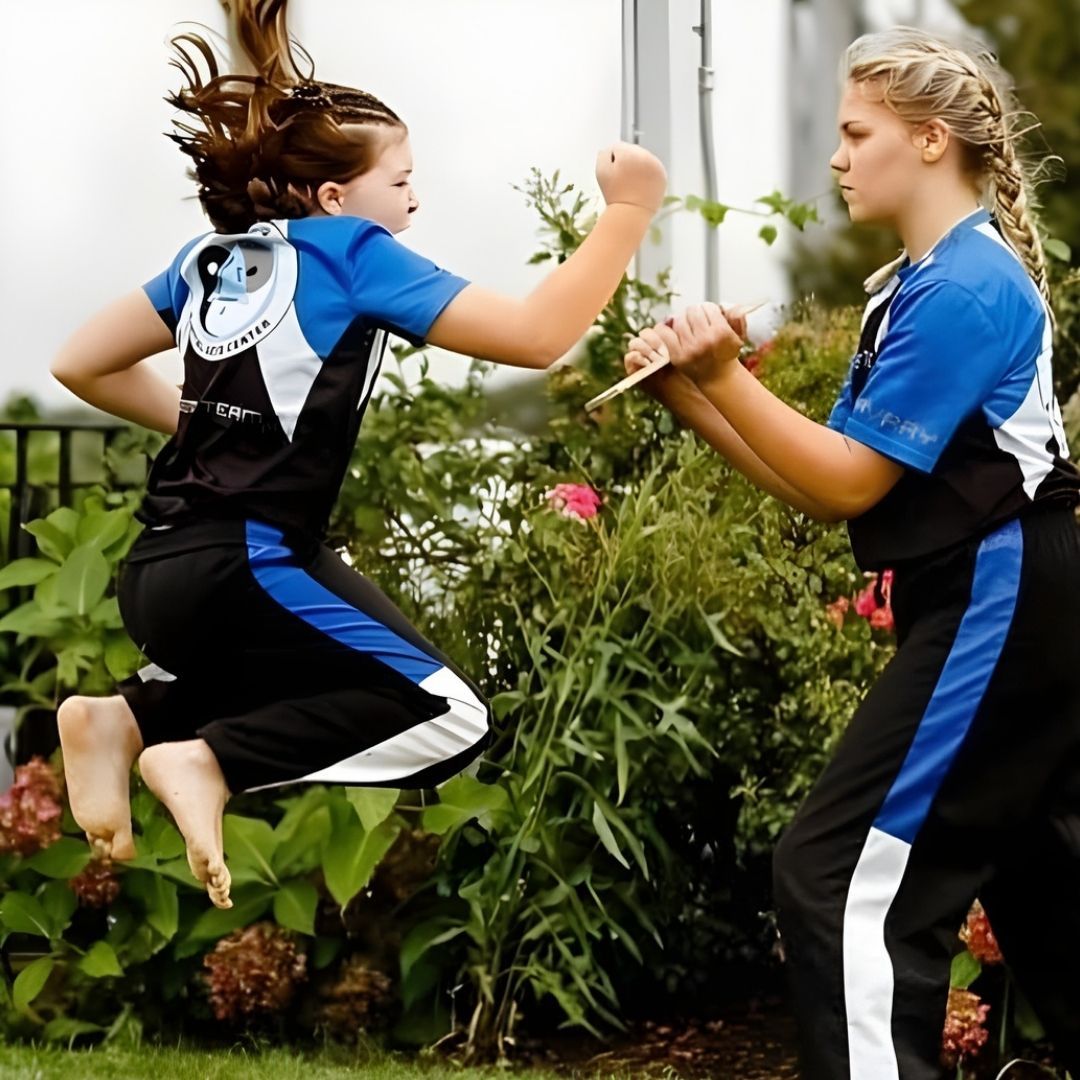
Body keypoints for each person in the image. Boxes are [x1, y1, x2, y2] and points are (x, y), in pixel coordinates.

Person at [50, 0, 666, 910]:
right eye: (402, 178)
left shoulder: (215, 257)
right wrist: (629, 208)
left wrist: (202, 423)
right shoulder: (351, 254)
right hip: (250, 566)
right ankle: (208, 761)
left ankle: (127, 720)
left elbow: (78, 362)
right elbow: (541, 336)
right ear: (335, 197)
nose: (415, 195)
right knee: (450, 715)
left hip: (160, 572)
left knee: (307, 673)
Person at [624, 26, 1080, 1079]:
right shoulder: (912, 287)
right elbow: (830, 482)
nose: (836, 157)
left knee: (840, 883)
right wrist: (693, 394)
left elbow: (845, 480)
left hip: (1002, 594)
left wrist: (725, 370)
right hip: (996, 597)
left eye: (854, 132)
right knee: (1045, 881)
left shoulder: (966, 288)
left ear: (929, 142)